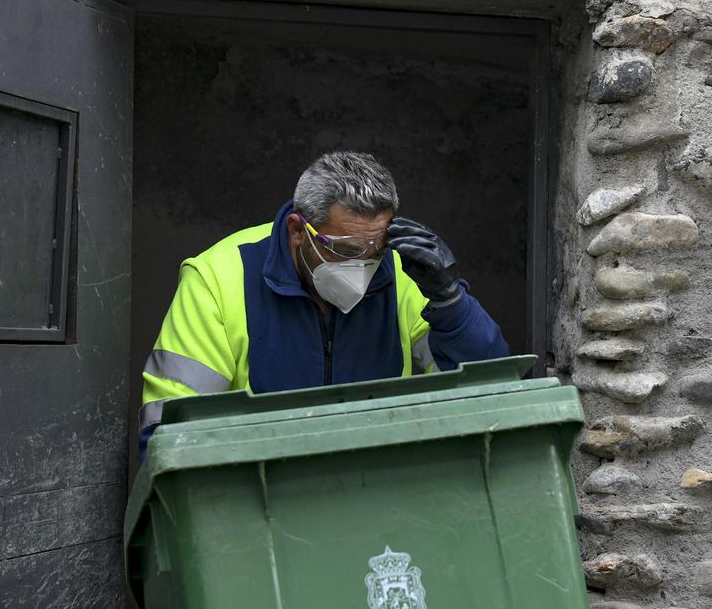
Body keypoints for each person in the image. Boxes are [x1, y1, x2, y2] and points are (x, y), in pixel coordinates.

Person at [138, 152, 510, 452]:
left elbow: (491, 396)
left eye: (375, 250)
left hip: (381, 499)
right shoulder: (218, 277)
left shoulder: (403, 275)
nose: (362, 266)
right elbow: (169, 436)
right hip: (259, 502)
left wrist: (450, 302)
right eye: (345, 250)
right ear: (299, 231)